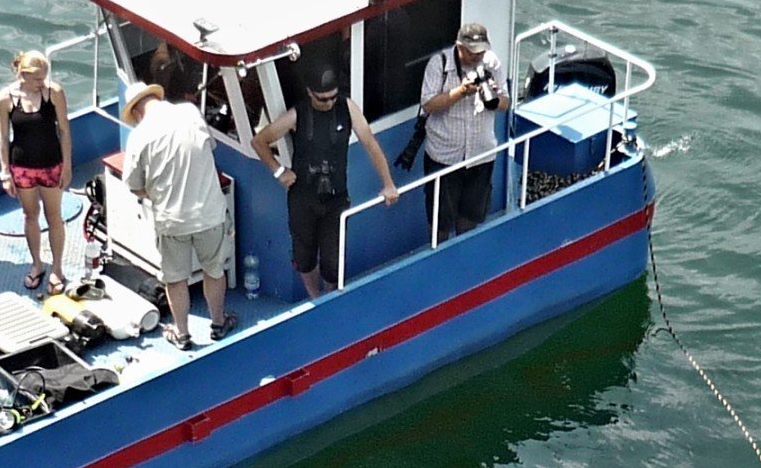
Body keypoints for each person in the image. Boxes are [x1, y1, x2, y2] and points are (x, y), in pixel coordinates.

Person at [252, 64, 398, 297]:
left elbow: (370, 143)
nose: (329, 103)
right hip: (303, 197)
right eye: (323, 99)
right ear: (310, 93)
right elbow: (259, 141)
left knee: (332, 261)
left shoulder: (347, 107)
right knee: (304, 256)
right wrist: (279, 171)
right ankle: (315, 297)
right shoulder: (297, 114)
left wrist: (388, 183)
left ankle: (330, 297)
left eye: (333, 97)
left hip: (336, 198)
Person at [121, 55, 235, 349]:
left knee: (175, 279)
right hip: (210, 213)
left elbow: (134, 185)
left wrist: (153, 193)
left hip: (171, 220)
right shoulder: (190, 113)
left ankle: (182, 333)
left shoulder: (139, 137)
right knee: (214, 270)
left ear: (135, 113)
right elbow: (208, 147)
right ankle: (219, 323)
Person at [417, 20, 509, 238]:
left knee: (470, 217)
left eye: (481, 52)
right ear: (459, 47)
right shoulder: (438, 64)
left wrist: (494, 98)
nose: (477, 57)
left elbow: (506, 103)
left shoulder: (491, 62)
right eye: (472, 52)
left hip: (481, 155)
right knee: (440, 223)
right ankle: (438, 259)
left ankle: (463, 257)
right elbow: (428, 104)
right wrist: (461, 92)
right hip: (444, 157)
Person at [0, 50, 76, 291]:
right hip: (22, 167)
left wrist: (67, 165)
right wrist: (5, 172)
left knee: (54, 216)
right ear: (22, 75)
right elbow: (2, 137)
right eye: (38, 79)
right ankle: (37, 264)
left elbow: (64, 131)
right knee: (30, 216)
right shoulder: (5, 98)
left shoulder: (54, 93)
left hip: (51, 164)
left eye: (45, 77)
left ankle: (57, 268)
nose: (43, 83)